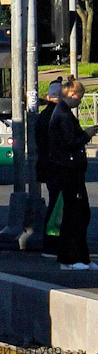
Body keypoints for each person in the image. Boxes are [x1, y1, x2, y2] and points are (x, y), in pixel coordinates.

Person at [49, 77, 98, 270]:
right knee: (75, 214)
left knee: (80, 213)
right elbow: (70, 143)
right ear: (73, 94)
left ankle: (81, 258)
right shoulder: (63, 115)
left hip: (69, 169)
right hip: (68, 170)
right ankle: (71, 259)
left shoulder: (62, 112)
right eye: (81, 96)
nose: (80, 101)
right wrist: (86, 135)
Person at [36, 78, 64, 259]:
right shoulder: (58, 116)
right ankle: (52, 246)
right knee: (57, 208)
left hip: (48, 166)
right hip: (57, 167)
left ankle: (52, 245)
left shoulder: (44, 115)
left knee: (56, 205)